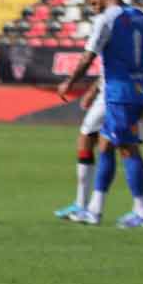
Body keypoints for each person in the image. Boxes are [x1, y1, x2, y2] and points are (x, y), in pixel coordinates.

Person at [57, 0, 143, 228]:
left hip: (118, 93)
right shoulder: (141, 17)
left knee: (127, 148)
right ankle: (94, 209)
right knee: (105, 145)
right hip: (138, 90)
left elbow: (88, 56)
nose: (94, 2)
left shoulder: (106, 20)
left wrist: (69, 82)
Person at [52, 76, 105, 222]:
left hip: (113, 95)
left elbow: (90, 59)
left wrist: (71, 84)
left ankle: (83, 206)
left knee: (86, 140)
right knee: (126, 149)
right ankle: (142, 211)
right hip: (136, 94)